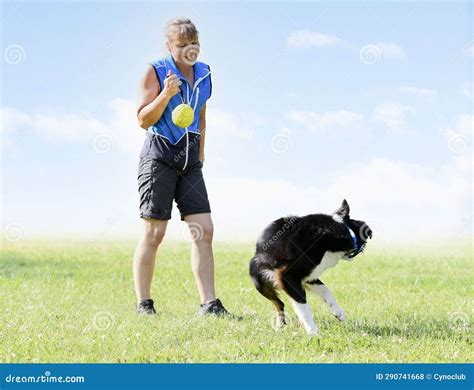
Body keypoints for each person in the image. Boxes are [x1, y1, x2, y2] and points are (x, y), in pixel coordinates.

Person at [133, 17, 239, 319]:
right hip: (159, 156)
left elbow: (202, 116)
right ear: (169, 45)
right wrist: (165, 94)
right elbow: (142, 119)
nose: (189, 51)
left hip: (190, 160)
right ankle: (144, 305)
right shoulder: (155, 71)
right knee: (155, 233)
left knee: (204, 230)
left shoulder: (205, 74)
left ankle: (209, 305)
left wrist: (201, 155)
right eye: (182, 46)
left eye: (194, 45)